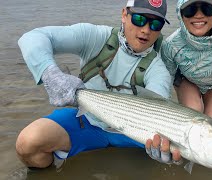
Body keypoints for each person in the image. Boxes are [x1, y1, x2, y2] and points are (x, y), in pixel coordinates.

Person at [16, 0, 182, 170]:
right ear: (124, 14)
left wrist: (164, 146)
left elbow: (159, 112)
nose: (146, 29)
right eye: (139, 19)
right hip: (87, 120)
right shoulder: (95, 36)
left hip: (133, 132)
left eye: (156, 23)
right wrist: (50, 74)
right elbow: (33, 37)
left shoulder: (159, 69)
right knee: (27, 143)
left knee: (176, 156)